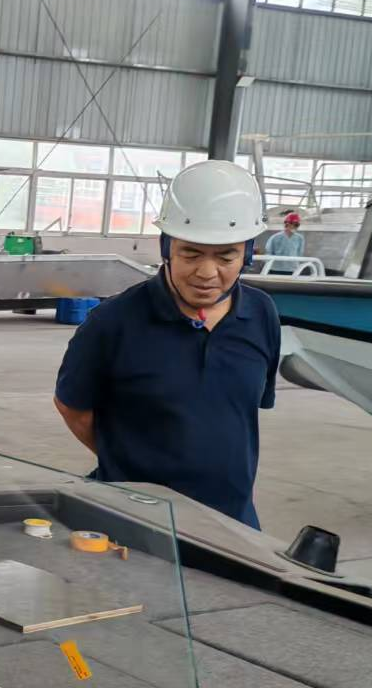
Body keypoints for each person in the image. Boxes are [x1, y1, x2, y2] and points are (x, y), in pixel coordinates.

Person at [54, 160, 280, 529]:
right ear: (166, 247)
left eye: (226, 256)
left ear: (248, 254)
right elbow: (72, 407)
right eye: (191, 254)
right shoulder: (113, 322)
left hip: (233, 524)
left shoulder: (261, 314)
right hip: (136, 520)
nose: (207, 273)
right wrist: (126, 461)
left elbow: (241, 413)